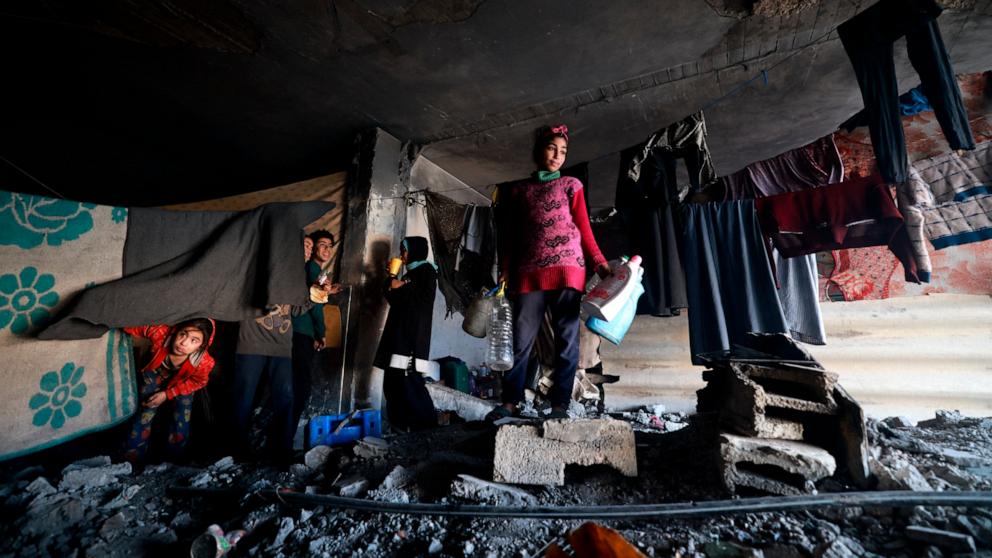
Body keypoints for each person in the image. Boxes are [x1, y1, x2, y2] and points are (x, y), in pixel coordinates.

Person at [491, 124, 611, 421]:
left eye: (563, 151)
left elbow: (583, 227)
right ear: (538, 151)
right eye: (551, 148)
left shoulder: (572, 185)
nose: (557, 155)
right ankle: (510, 402)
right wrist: (505, 269)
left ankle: (559, 405)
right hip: (529, 274)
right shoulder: (519, 191)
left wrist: (598, 260)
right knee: (521, 341)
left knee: (566, 341)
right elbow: (511, 236)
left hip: (569, 271)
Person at [231, 236, 333, 461]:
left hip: (282, 347)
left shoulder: (299, 277)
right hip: (252, 343)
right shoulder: (263, 268)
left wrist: (316, 293)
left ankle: (282, 452)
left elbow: (296, 311)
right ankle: (237, 453)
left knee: (286, 398)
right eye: (304, 245)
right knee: (244, 398)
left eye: (309, 246)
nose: (309, 250)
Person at [122, 318, 216, 465]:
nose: (183, 343)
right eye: (183, 334)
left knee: (182, 416)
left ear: (201, 346)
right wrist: (112, 324)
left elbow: (198, 382)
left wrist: (168, 394)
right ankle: (131, 459)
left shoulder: (204, 362)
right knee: (146, 410)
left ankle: (173, 461)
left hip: (183, 382)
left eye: (194, 340)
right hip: (156, 372)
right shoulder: (161, 333)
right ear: (175, 331)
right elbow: (134, 325)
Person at [373, 237, 438, 431]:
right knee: (393, 382)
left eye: (405, 250)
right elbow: (394, 299)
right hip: (398, 335)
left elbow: (425, 300)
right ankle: (399, 426)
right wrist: (390, 279)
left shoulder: (427, 271)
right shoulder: (409, 273)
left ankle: (427, 427)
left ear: (416, 251)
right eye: (402, 250)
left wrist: (403, 286)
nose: (402, 254)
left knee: (410, 383)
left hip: (412, 338)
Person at [291, 230, 342, 438]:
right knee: (300, 387)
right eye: (321, 245)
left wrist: (328, 291)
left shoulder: (316, 271)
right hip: (302, 332)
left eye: (329, 246)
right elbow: (316, 306)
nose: (326, 249)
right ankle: (285, 435)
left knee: (295, 383)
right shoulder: (313, 268)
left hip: (298, 332)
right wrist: (321, 333)